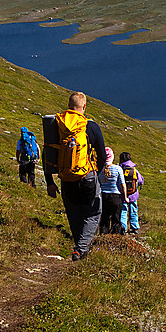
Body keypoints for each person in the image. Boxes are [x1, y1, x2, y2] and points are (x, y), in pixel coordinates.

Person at [45, 92, 107, 261]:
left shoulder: (57, 124)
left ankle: (80, 247)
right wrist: (95, 172)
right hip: (87, 176)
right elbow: (102, 155)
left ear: (69, 105)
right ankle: (80, 249)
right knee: (93, 212)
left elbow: (48, 154)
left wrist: (49, 182)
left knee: (73, 212)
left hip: (66, 177)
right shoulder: (90, 126)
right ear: (84, 107)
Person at [98, 147, 127, 234]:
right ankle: (116, 238)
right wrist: (125, 197)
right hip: (115, 196)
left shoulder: (99, 169)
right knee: (116, 219)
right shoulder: (117, 169)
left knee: (104, 219)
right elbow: (123, 184)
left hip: (103, 196)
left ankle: (103, 237)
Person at [119, 151, 144, 234]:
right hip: (133, 194)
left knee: (123, 211)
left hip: (123, 194)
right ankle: (135, 227)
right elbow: (140, 180)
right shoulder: (134, 169)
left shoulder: (120, 169)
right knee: (133, 210)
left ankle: (123, 227)